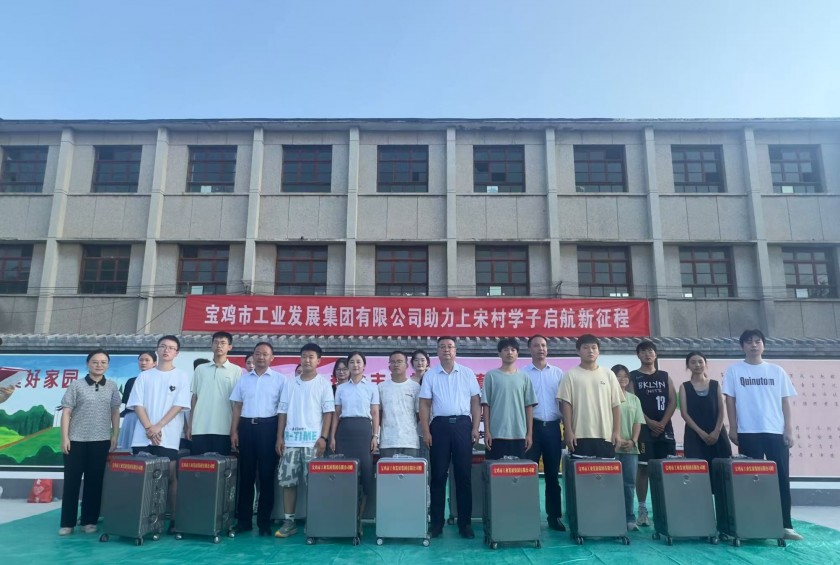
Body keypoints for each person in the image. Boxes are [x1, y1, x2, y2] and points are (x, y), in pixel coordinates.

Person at [723, 329, 802, 541]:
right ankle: (753, 525)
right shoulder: (734, 371)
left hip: (775, 431)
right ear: (742, 346)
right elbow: (730, 400)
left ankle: (785, 525)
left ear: (763, 345)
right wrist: (733, 427)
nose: (754, 345)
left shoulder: (776, 371)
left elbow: (785, 401)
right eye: (749, 342)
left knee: (781, 477)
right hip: (748, 431)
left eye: (757, 341)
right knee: (750, 479)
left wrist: (789, 429)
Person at [419, 336, 481, 540]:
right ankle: (437, 524)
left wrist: (475, 428)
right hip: (439, 427)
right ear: (437, 351)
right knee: (438, 476)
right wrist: (426, 431)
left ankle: (465, 524)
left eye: (450, 346)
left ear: (455, 350)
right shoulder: (430, 375)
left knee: (463, 476)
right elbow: (424, 404)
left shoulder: (467, 373)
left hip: (463, 425)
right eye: (442, 347)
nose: (446, 350)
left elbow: (475, 402)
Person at [275, 343, 335, 539]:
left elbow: (328, 413)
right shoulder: (290, 384)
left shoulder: (324, 384)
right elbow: (282, 412)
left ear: (319, 361)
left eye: (311, 357)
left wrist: (324, 437)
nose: (307, 360)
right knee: (288, 483)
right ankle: (289, 522)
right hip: (291, 442)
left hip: (313, 443)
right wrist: (280, 437)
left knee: (315, 484)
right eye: (304, 356)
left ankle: (315, 521)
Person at [58, 349, 121, 536]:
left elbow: (115, 411)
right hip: (75, 441)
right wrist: (65, 438)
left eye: (103, 362)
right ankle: (67, 523)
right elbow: (66, 412)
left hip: (100, 441)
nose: (99, 365)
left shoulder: (112, 386)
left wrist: (114, 435)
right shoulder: (76, 385)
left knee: (94, 482)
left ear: (108, 365)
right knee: (72, 482)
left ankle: (89, 521)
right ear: (88, 364)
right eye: (95, 362)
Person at [229, 341, 286, 536]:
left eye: (265, 354)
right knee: (246, 476)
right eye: (257, 353)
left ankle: (264, 523)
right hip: (246, 428)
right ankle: (244, 521)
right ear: (253, 356)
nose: (261, 357)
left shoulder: (280, 380)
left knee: (266, 477)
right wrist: (234, 431)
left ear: (272, 358)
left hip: (269, 428)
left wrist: (279, 437)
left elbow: (282, 411)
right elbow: (237, 406)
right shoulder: (244, 380)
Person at [330, 351, 380, 528]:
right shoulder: (341, 388)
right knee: (344, 475)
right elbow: (337, 413)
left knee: (365, 475)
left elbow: (375, 413)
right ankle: (345, 519)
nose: (355, 365)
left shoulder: (372, 387)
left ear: (364, 366)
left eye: (359, 362)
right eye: (352, 362)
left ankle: (358, 520)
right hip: (344, 432)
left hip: (364, 431)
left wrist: (375, 436)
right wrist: (332, 437)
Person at [630, 340, 676, 527]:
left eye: (650, 351)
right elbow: (633, 402)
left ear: (655, 354)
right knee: (643, 468)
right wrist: (649, 422)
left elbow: (673, 401)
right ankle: (642, 509)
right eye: (643, 351)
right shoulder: (633, 377)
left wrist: (662, 423)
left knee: (666, 468)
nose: (647, 354)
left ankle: (666, 508)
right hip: (643, 429)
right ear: (638, 355)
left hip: (665, 429)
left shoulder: (665, 376)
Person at [523, 334, 566, 531]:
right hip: (531, 429)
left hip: (553, 429)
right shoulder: (523, 374)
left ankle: (554, 517)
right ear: (529, 349)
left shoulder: (558, 373)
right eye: (536, 345)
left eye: (543, 345)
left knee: (552, 475)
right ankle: (528, 517)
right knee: (528, 475)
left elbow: (564, 404)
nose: (540, 348)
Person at [557, 334, 623, 458]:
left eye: (594, 347)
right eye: (586, 347)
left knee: (606, 469)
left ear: (598, 351)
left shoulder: (609, 374)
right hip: (579, 435)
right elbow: (566, 405)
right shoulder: (570, 375)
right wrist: (569, 431)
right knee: (581, 469)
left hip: (606, 435)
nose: (590, 351)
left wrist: (616, 432)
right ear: (578, 351)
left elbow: (616, 405)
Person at [482, 338, 536, 460]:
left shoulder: (524, 377)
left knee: (517, 470)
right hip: (496, 434)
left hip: (519, 434)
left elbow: (529, 406)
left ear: (517, 353)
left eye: (513, 350)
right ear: (499, 354)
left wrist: (529, 434)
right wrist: (487, 431)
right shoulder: (491, 376)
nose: (509, 352)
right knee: (495, 469)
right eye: (506, 350)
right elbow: (486, 405)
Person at [189, 332, 241, 456]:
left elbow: (237, 404)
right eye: (216, 342)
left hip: (224, 428)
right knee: (198, 464)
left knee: (220, 465)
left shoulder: (236, 370)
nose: (219, 345)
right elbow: (194, 398)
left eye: (223, 343)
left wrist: (234, 430)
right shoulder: (200, 369)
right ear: (211, 345)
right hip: (200, 428)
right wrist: (190, 425)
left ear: (230, 347)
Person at [679, 351, 731, 470]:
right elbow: (684, 413)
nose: (697, 365)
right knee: (698, 471)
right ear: (688, 366)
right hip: (694, 435)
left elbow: (721, 411)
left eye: (700, 362)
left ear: (705, 364)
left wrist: (716, 431)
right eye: (693, 362)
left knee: (721, 470)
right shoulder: (684, 387)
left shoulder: (715, 385)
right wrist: (701, 433)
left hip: (717, 434)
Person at [613, 364, 645, 532]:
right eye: (618, 376)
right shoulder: (607, 397)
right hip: (612, 447)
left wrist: (633, 440)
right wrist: (616, 439)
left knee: (629, 484)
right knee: (611, 484)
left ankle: (629, 518)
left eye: (625, 376)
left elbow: (637, 422)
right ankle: (612, 517)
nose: (622, 379)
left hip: (630, 449)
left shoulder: (634, 399)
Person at [378, 350, 421, 457]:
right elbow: (378, 413)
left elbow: (418, 414)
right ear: (389, 366)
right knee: (387, 468)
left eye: (399, 361)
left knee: (410, 468)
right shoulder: (381, 387)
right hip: (388, 441)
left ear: (407, 365)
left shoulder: (415, 387)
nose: (396, 364)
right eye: (393, 362)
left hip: (410, 441)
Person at [117, 351, 156, 450]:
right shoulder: (131, 381)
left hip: (152, 418)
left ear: (154, 363)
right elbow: (127, 403)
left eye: (147, 360)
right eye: (141, 360)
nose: (143, 363)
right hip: (132, 417)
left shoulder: (158, 381)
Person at [411, 349, 431, 460]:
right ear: (412, 363)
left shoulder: (432, 378)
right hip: (416, 424)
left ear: (427, 362)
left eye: (422, 360)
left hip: (433, 421)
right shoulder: (409, 382)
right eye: (416, 360)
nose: (420, 363)